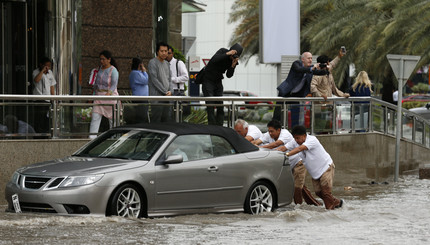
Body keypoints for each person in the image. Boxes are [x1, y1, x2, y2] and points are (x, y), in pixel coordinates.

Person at [285, 125, 343, 210]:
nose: (296, 141)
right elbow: (284, 147)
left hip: (326, 167)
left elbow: (300, 149)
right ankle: (336, 202)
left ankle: (330, 213)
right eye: (295, 138)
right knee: (319, 192)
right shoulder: (295, 142)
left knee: (326, 193)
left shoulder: (312, 140)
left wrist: (287, 154)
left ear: (304, 135)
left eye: (298, 138)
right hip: (316, 172)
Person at [274, 52, 327, 127]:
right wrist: (312, 68)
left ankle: (294, 132)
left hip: (297, 95)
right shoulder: (296, 63)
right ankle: (274, 129)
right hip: (286, 92)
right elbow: (299, 69)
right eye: (308, 58)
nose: (310, 60)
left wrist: (325, 68)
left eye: (311, 58)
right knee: (278, 114)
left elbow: (321, 73)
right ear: (303, 59)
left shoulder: (311, 69)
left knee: (295, 116)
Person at [202, 43, 243, 125]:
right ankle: (212, 126)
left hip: (218, 81)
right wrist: (227, 54)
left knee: (220, 104)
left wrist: (233, 65)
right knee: (210, 104)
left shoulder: (233, 60)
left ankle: (220, 125)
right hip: (208, 80)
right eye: (233, 54)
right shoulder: (222, 51)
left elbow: (229, 75)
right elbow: (214, 60)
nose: (233, 57)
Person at [89, 50, 119, 138]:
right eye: (100, 59)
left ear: (109, 59)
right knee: (95, 117)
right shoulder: (98, 69)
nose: (101, 61)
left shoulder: (113, 70)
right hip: (99, 96)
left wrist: (108, 94)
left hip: (110, 97)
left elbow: (114, 84)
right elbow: (95, 84)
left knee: (112, 120)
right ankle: (91, 138)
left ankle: (114, 138)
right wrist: (93, 95)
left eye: (103, 59)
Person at [148, 42, 173, 123]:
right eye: (162, 51)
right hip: (157, 98)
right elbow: (154, 80)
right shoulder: (153, 62)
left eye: (166, 51)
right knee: (156, 121)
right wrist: (165, 91)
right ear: (157, 52)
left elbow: (170, 79)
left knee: (166, 121)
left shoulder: (167, 64)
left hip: (167, 98)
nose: (164, 53)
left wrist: (171, 91)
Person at [32, 57, 57, 134]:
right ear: (41, 65)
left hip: (47, 98)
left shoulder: (50, 73)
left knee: (46, 117)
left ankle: (46, 132)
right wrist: (42, 71)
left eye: (49, 66)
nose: (47, 68)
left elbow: (52, 86)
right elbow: (36, 80)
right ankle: (38, 132)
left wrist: (54, 98)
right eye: (46, 66)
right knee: (39, 117)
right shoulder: (36, 72)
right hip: (39, 98)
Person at [128, 57, 149, 123]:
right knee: (141, 118)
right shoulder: (135, 73)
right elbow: (146, 81)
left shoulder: (138, 73)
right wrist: (145, 71)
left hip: (143, 98)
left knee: (143, 117)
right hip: (140, 98)